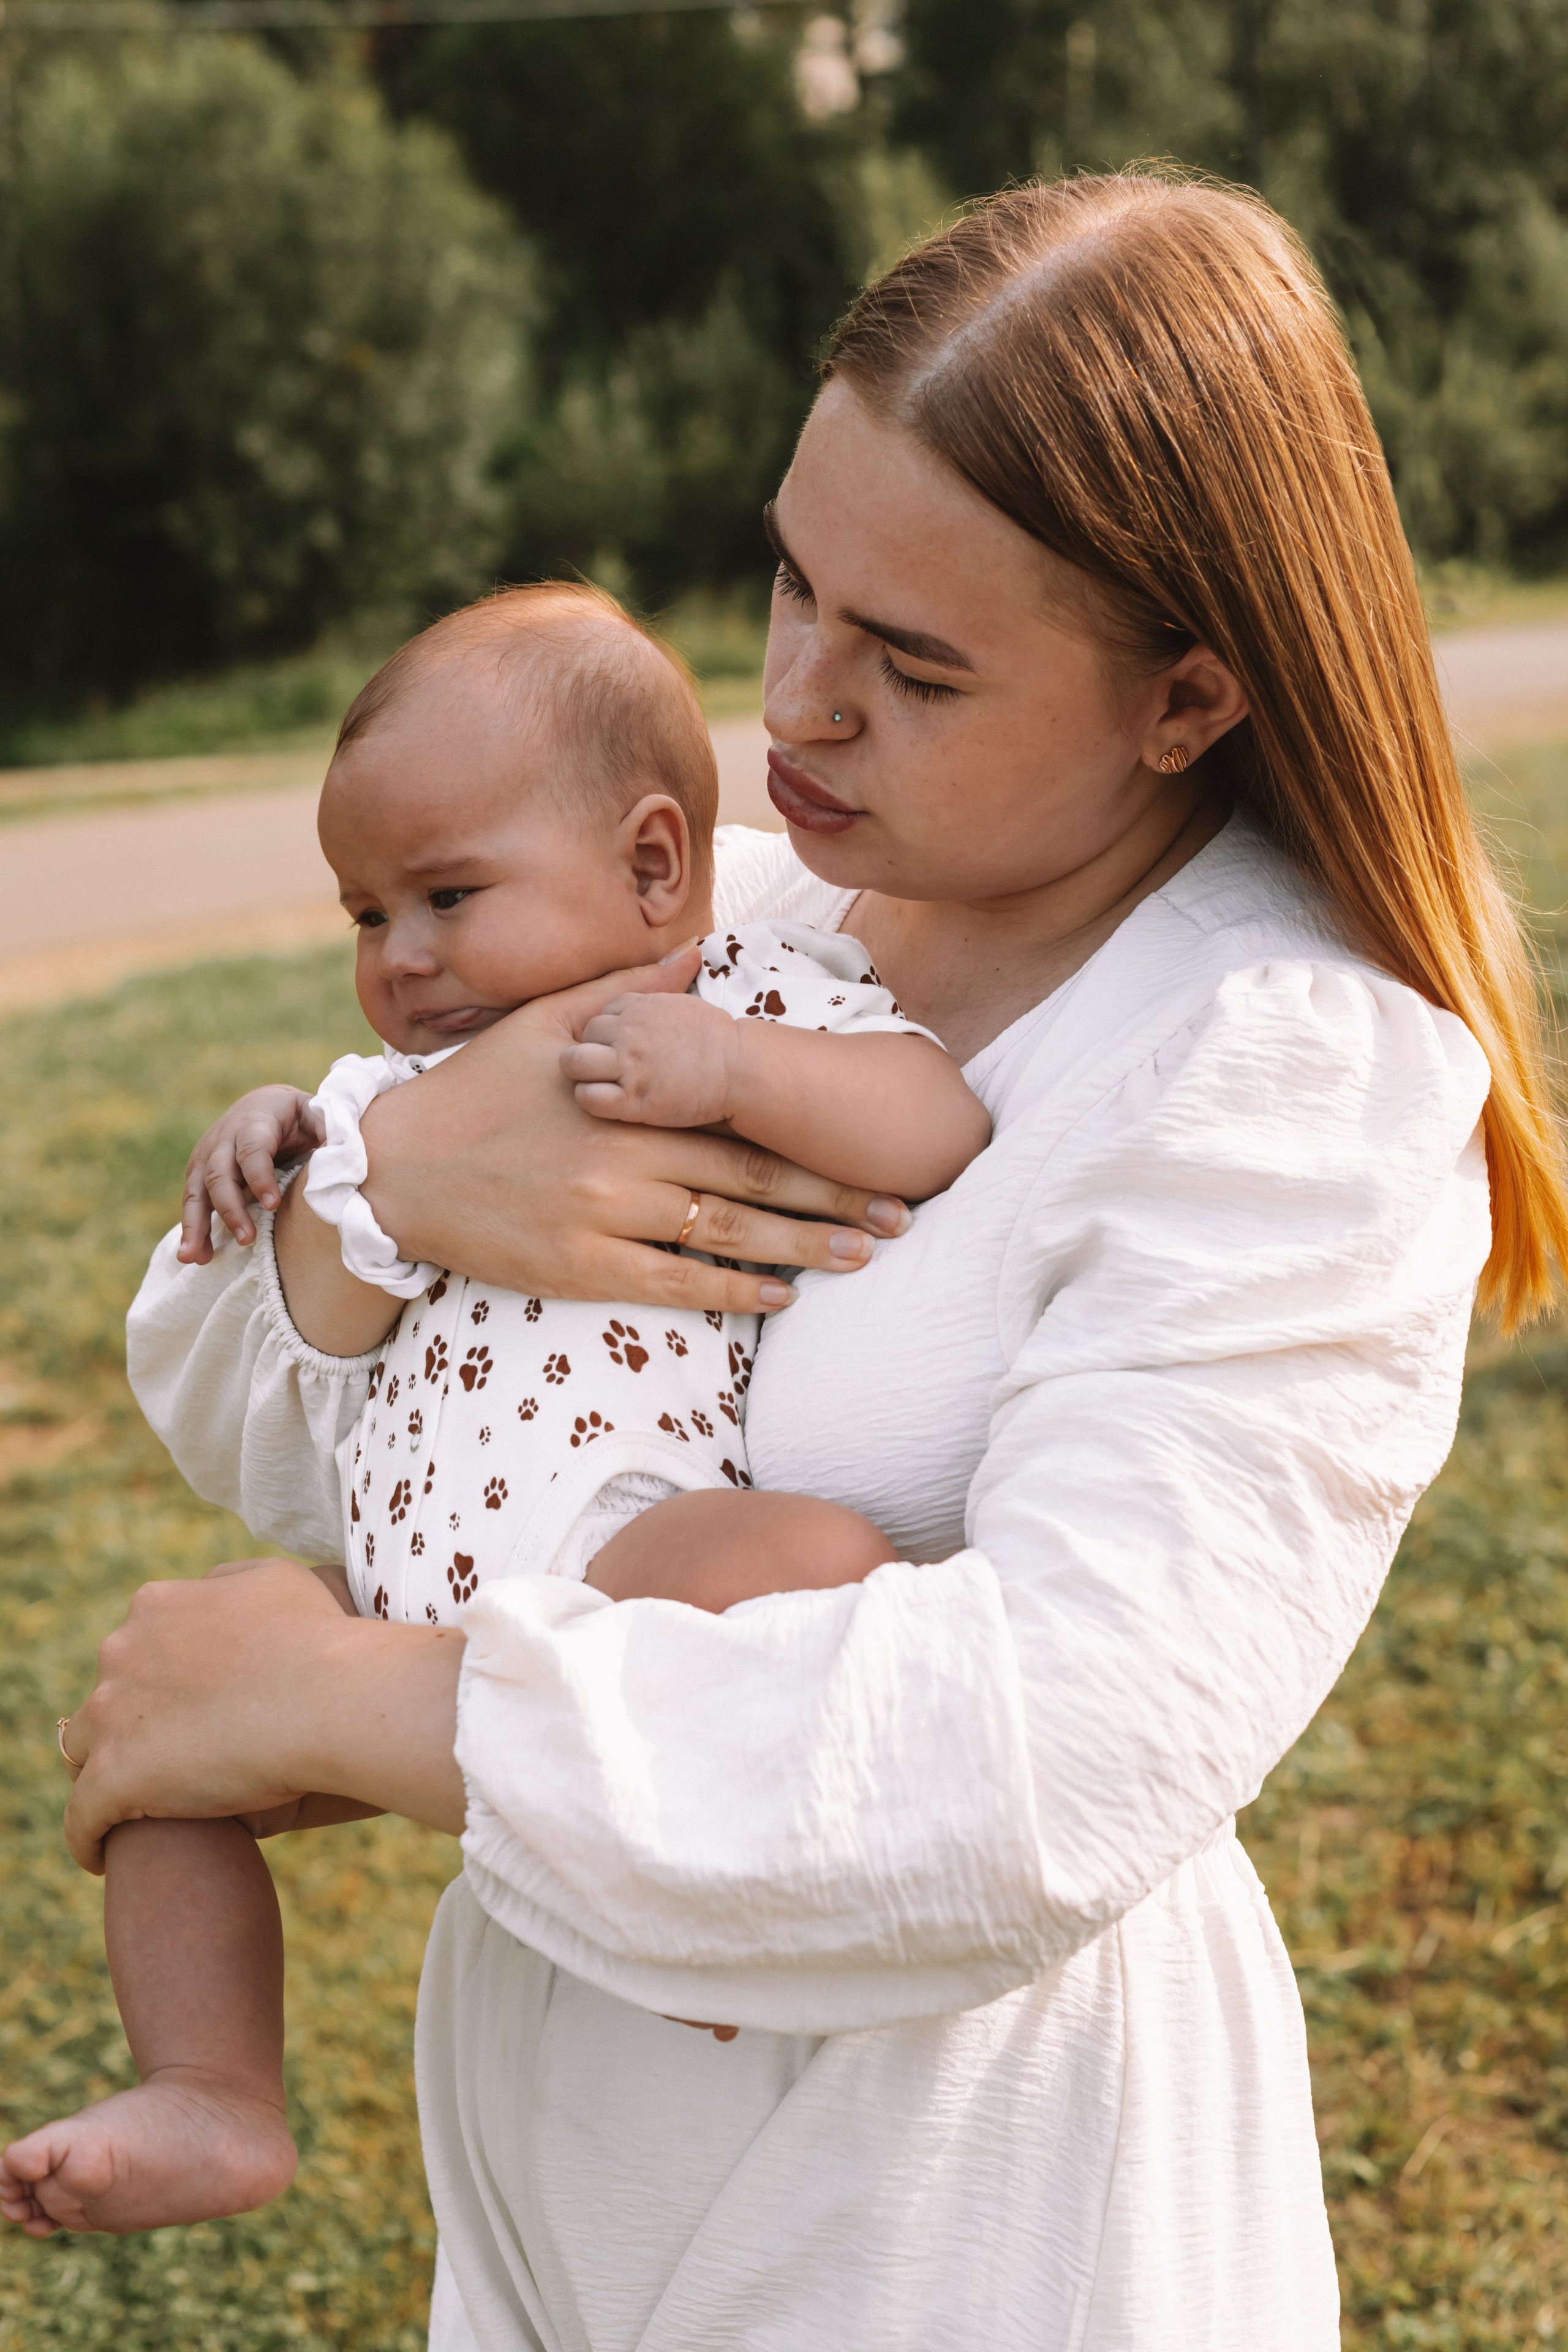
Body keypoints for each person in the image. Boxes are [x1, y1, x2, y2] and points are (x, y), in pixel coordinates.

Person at [28, 170, 1568, 2348]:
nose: (799, 704)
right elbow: (270, 1411)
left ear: (1191, 698)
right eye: (792, 584)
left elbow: (1042, 1767)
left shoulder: (1278, 1072)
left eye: (915, 663)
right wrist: (381, 1199)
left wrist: (351, 1702)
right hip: (565, 2172)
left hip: (950, 2221)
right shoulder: (720, 913)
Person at [0, 582, 986, 2239]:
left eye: (446, 897)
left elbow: (932, 1117)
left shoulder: (757, 991)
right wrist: (279, 1139)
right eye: (365, 917)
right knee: (167, 1710)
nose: (400, 961)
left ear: (657, 867)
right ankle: (214, 2088)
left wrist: (733, 1073)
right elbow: (318, 1265)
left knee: (807, 1556)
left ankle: (702, 1917)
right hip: (393, 1576)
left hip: (620, 1544)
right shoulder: (401, 1091)